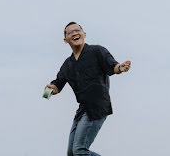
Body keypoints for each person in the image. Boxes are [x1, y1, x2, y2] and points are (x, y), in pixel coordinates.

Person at [44, 22, 132, 156]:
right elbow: (58, 85)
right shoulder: (67, 64)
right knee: (72, 153)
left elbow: (112, 66)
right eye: (70, 32)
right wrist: (51, 89)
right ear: (65, 40)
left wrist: (120, 67)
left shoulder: (97, 51)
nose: (74, 33)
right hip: (82, 109)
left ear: (84, 34)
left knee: (79, 150)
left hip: (97, 106)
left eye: (77, 30)